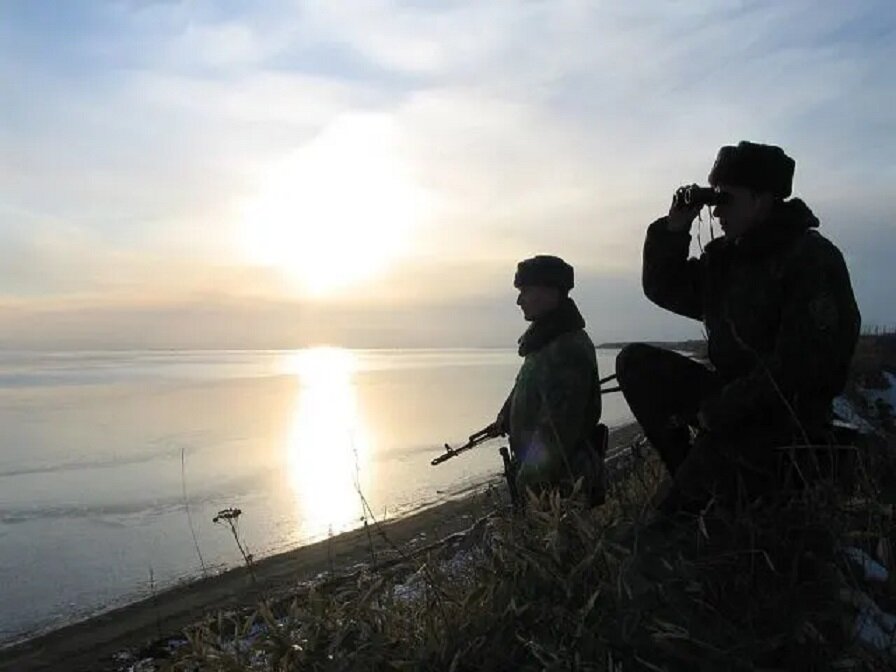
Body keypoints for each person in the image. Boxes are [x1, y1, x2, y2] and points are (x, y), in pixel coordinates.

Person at [616, 141, 861, 513]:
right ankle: (694, 479)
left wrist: (722, 409)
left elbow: (806, 367)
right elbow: (664, 288)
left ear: (761, 199)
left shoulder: (811, 258)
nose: (717, 214)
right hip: (733, 405)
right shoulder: (726, 262)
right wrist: (674, 228)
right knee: (636, 363)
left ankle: (723, 490)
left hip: (786, 421)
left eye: (725, 200)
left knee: (661, 540)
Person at [487, 255, 605, 505]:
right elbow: (530, 385)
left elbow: (556, 433)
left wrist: (527, 484)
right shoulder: (544, 344)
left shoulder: (566, 349)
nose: (519, 300)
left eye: (525, 291)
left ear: (551, 293)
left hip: (562, 492)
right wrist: (508, 412)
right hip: (546, 487)